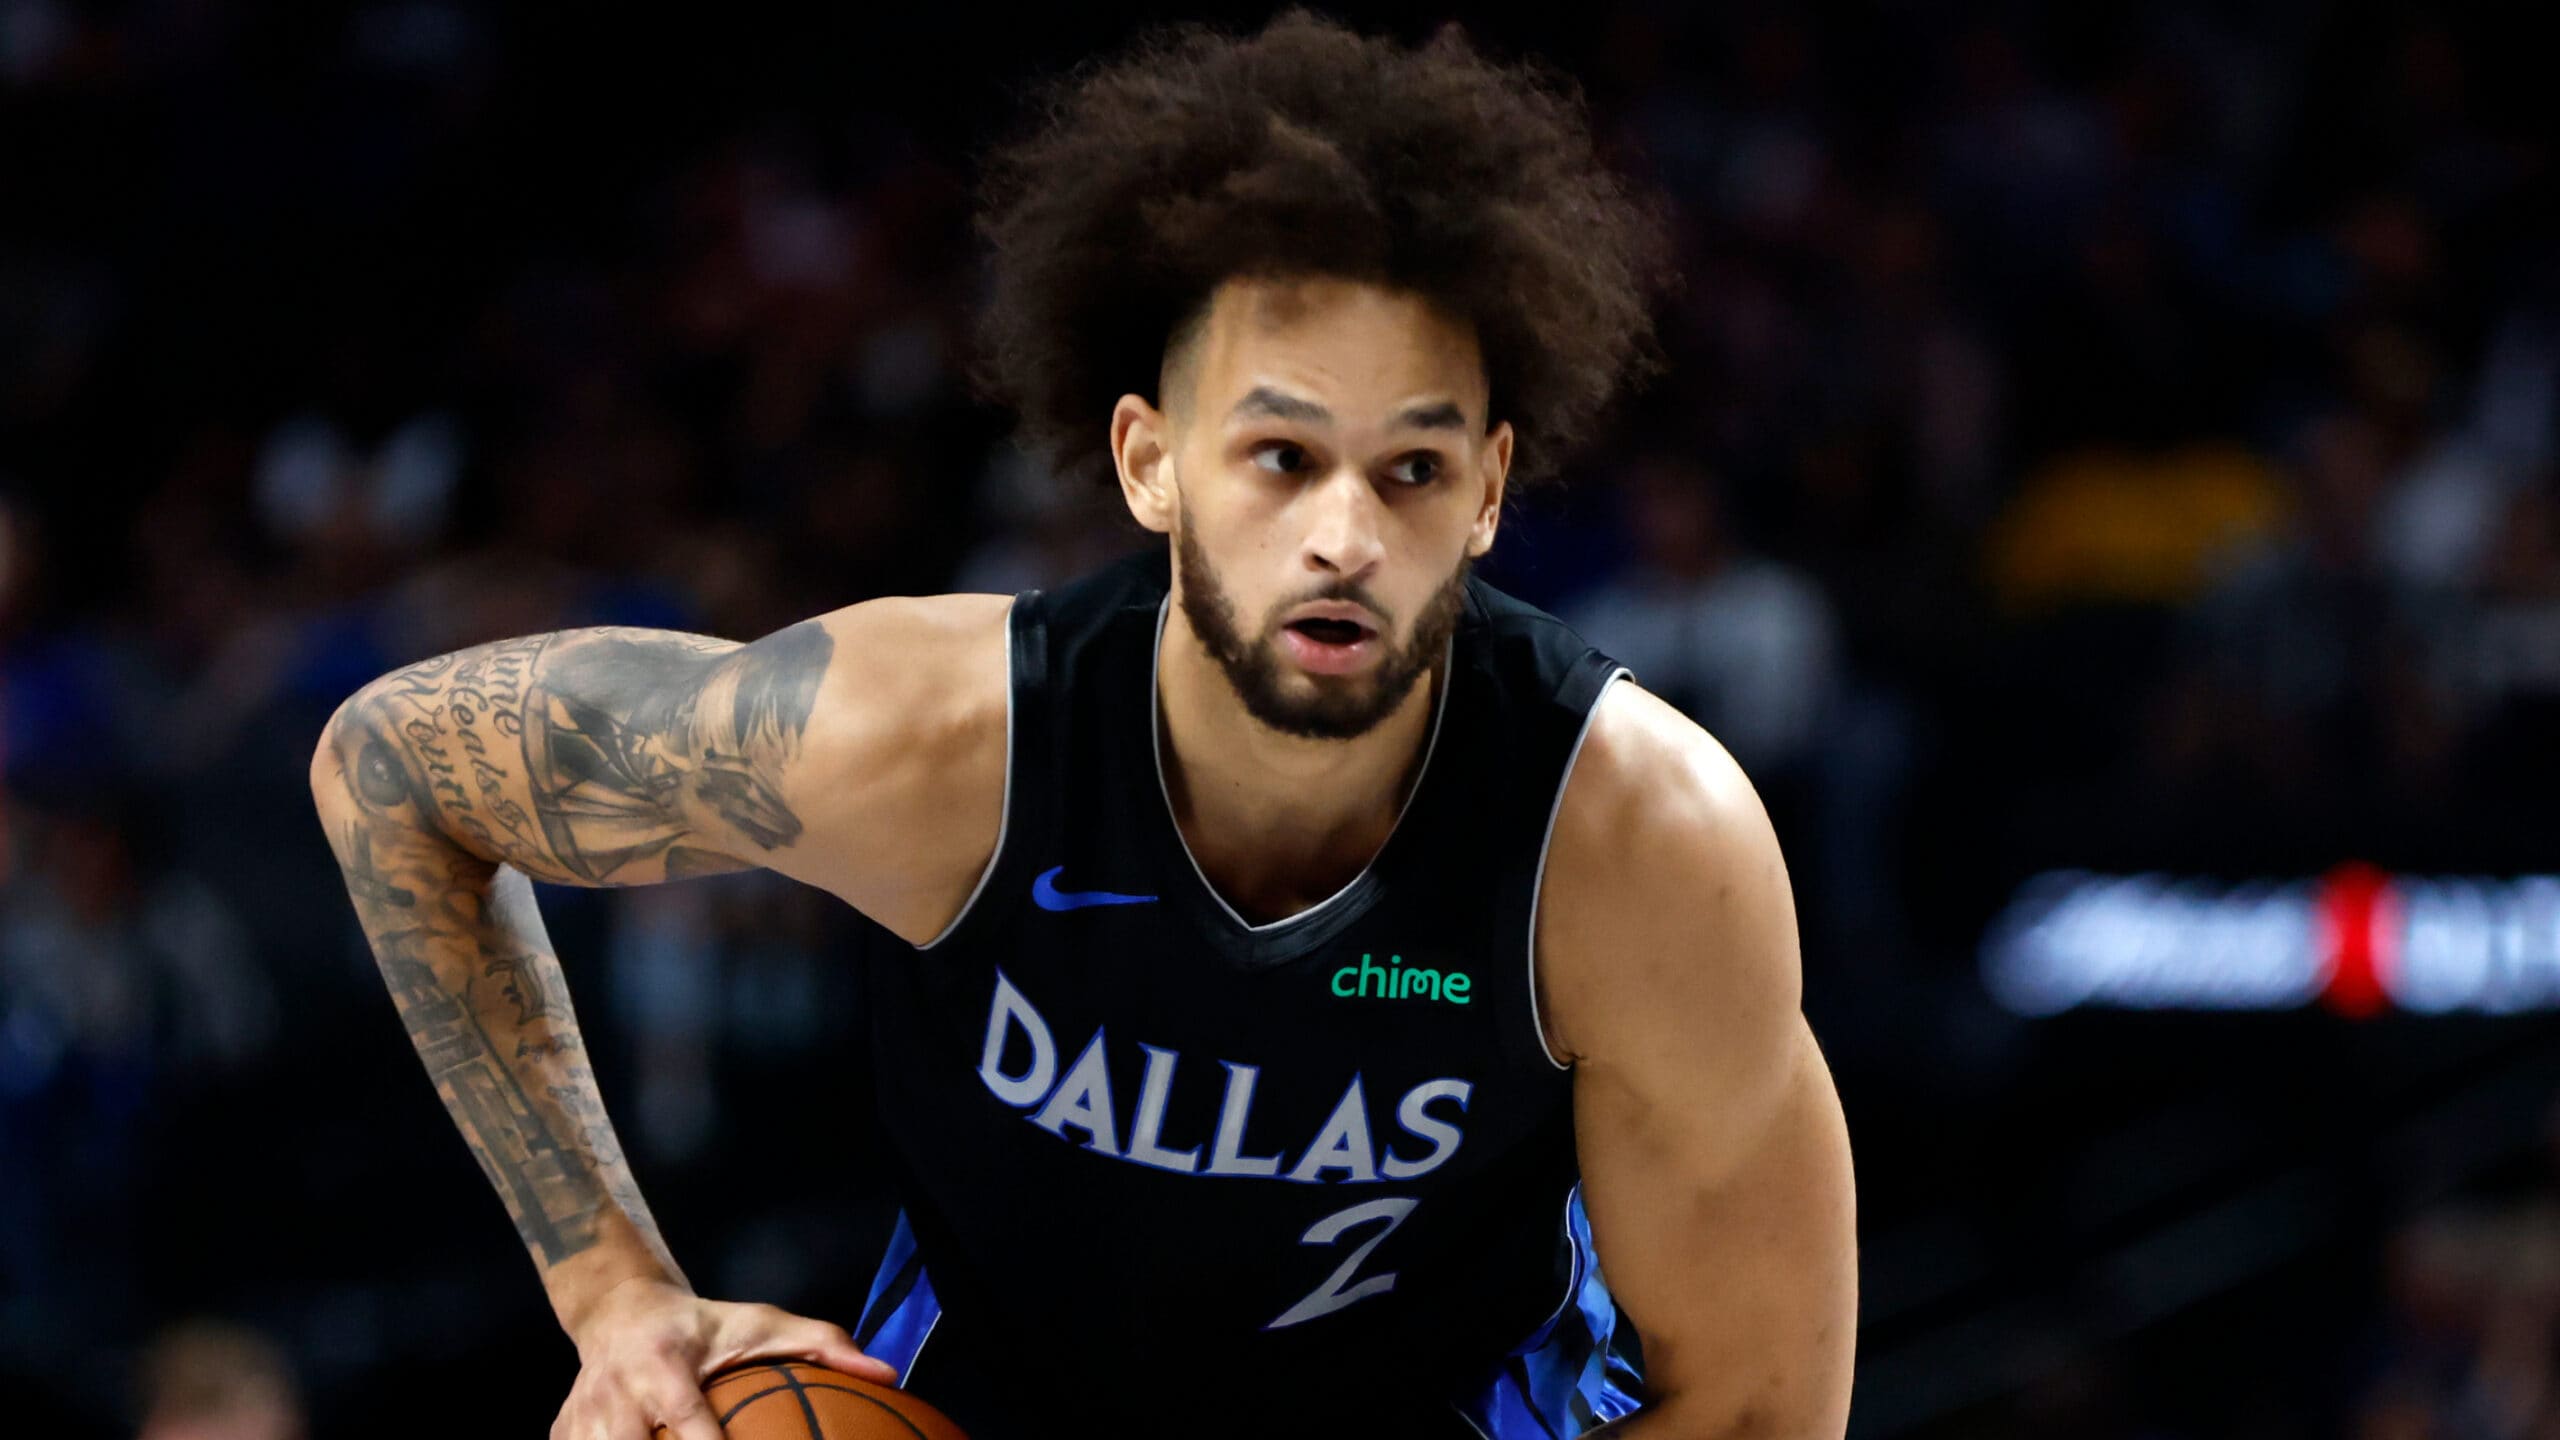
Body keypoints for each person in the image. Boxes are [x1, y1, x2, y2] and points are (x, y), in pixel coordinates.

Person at [309, 14, 1856, 1438]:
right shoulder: (931, 741)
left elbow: (1761, 1406)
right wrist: (612, 1293)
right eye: (1280, 456)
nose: (1345, 537)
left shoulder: (1637, 843)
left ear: (1491, 493)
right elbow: (392, 769)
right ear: (1148, 462)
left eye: (1413, 470)